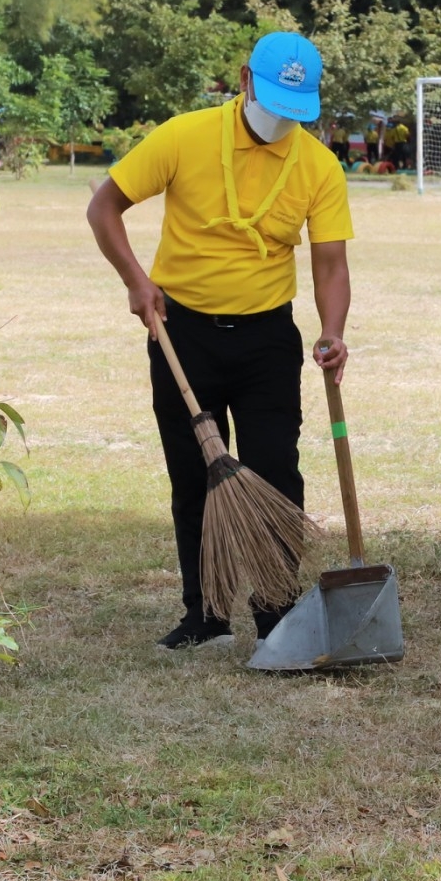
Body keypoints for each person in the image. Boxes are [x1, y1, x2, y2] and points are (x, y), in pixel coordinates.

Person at [87, 33, 353, 651]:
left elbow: (332, 264)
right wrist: (137, 281)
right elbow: (105, 207)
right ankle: (204, 615)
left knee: (276, 474)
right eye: (274, 99)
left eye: (297, 106)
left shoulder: (318, 164)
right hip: (182, 334)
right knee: (194, 476)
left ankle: (277, 617)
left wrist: (333, 330)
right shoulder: (185, 135)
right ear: (244, 78)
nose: (283, 118)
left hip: (267, 338)